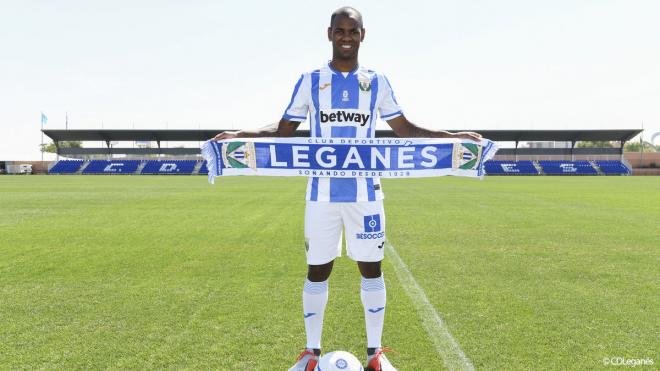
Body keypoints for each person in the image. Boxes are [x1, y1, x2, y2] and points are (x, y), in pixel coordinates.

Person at [213, 7, 481, 371]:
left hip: (366, 195)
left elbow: (406, 130)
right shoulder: (310, 81)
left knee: (372, 269)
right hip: (321, 195)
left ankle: (375, 356)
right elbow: (282, 132)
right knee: (317, 270)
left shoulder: (377, 82)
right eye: (340, 31)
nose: (346, 37)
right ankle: (311, 354)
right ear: (329, 34)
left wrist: (454, 138)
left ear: (362, 35)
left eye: (352, 31)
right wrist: (239, 135)